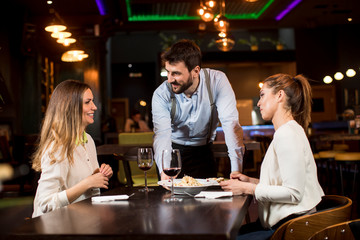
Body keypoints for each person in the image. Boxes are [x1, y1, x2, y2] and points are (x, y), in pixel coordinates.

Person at [220, 73, 324, 240]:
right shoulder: (289, 131)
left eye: (262, 95)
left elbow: (294, 193)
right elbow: (284, 183)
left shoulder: (287, 134)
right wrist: (250, 181)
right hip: (286, 222)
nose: (259, 103)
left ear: (280, 95)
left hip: (292, 227)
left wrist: (248, 189)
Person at [152, 39, 244, 180]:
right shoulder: (161, 94)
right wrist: (165, 170)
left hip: (204, 153)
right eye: (168, 72)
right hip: (174, 153)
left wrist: (236, 171)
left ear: (195, 71)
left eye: (176, 73)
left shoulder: (217, 81)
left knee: (209, 200)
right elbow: (162, 135)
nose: (170, 79)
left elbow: (230, 124)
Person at [31, 80, 113, 218]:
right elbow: (45, 204)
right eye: (87, 102)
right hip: (54, 228)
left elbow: (91, 190)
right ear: (71, 107)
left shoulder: (88, 140)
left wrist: (100, 175)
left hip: (81, 219)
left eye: (92, 101)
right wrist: (88, 183)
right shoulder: (57, 146)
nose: (94, 107)